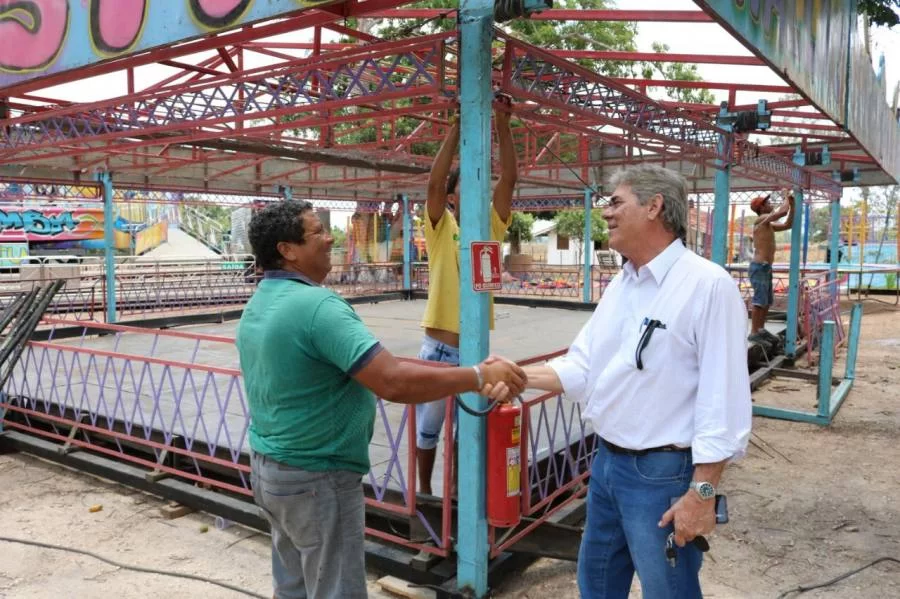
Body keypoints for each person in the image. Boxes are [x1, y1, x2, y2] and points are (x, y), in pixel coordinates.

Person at [235, 200, 526, 599]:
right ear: (288, 250)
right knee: (336, 589)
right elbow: (392, 382)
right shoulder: (317, 307)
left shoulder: (263, 299)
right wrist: (477, 376)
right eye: (317, 231)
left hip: (272, 470)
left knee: (294, 585)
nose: (329, 238)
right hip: (318, 476)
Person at [512, 164, 752, 598]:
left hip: (661, 476)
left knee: (667, 589)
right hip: (606, 464)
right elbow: (582, 368)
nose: (605, 212)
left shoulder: (707, 286)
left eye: (616, 202)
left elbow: (725, 401)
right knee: (597, 582)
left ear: (654, 207)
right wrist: (515, 377)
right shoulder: (623, 285)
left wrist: (702, 493)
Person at [415, 94, 517, 495]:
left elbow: (508, 180)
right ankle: (425, 493)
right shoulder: (442, 227)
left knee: (466, 435)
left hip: (472, 351)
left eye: (480, 185)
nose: (474, 191)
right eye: (466, 186)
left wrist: (504, 125)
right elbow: (434, 182)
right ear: (455, 195)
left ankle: (457, 500)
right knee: (428, 430)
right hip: (438, 350)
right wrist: (458, 125)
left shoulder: (491, 227)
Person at [749, 190, 795, 339]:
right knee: (760, 301)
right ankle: (754, 332)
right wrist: (786, 196)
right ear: (761, 208)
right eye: (768, 203)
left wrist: (792, 206)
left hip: (765, 267)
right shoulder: (761, 219)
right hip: (760, 266)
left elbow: (788, 224)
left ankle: (760, 330)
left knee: (767, 301)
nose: (770, 205)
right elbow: (782, 212)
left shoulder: (768, 225)